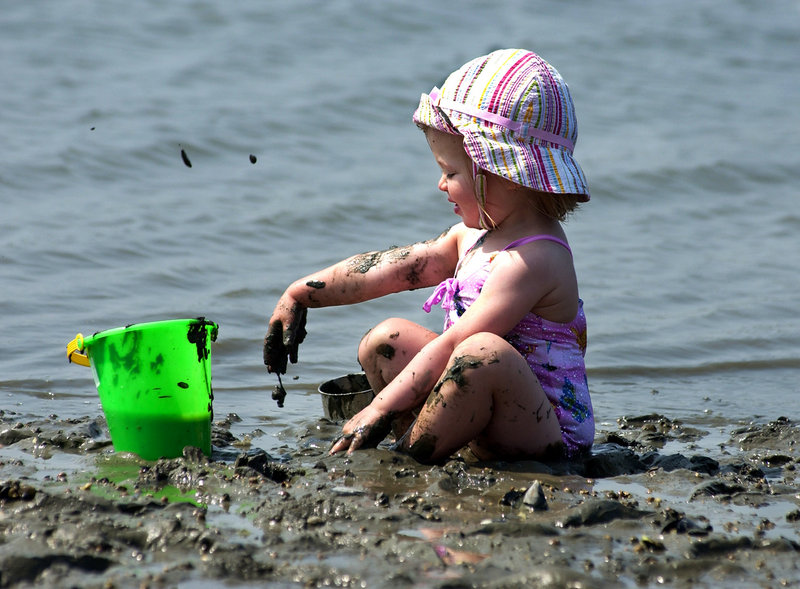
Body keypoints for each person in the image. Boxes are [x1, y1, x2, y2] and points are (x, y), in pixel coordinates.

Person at [264, 48, 594, 464]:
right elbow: (394, 269)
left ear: (502, 172)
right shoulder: (471, 236)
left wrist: (379, 408)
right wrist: (299, 294)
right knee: (385, 341)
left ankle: (406, 457)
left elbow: (459, 343)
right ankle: (425, 440)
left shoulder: (536, 258)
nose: (441, 184)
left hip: (542, 432)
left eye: (452, 172)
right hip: (482, 410)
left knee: (480, 353)